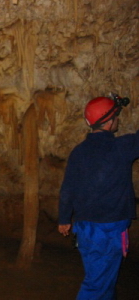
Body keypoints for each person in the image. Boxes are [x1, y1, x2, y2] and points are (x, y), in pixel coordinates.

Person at [58, 94, 138, 300]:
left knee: (103, 279)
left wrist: (65, 219)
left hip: (84, 228)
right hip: (108, 230)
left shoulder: (78, 152)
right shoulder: (121, 147)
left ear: (88, 122)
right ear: (110, 121)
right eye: (116, 117)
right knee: (97, 285)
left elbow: (68, 188)